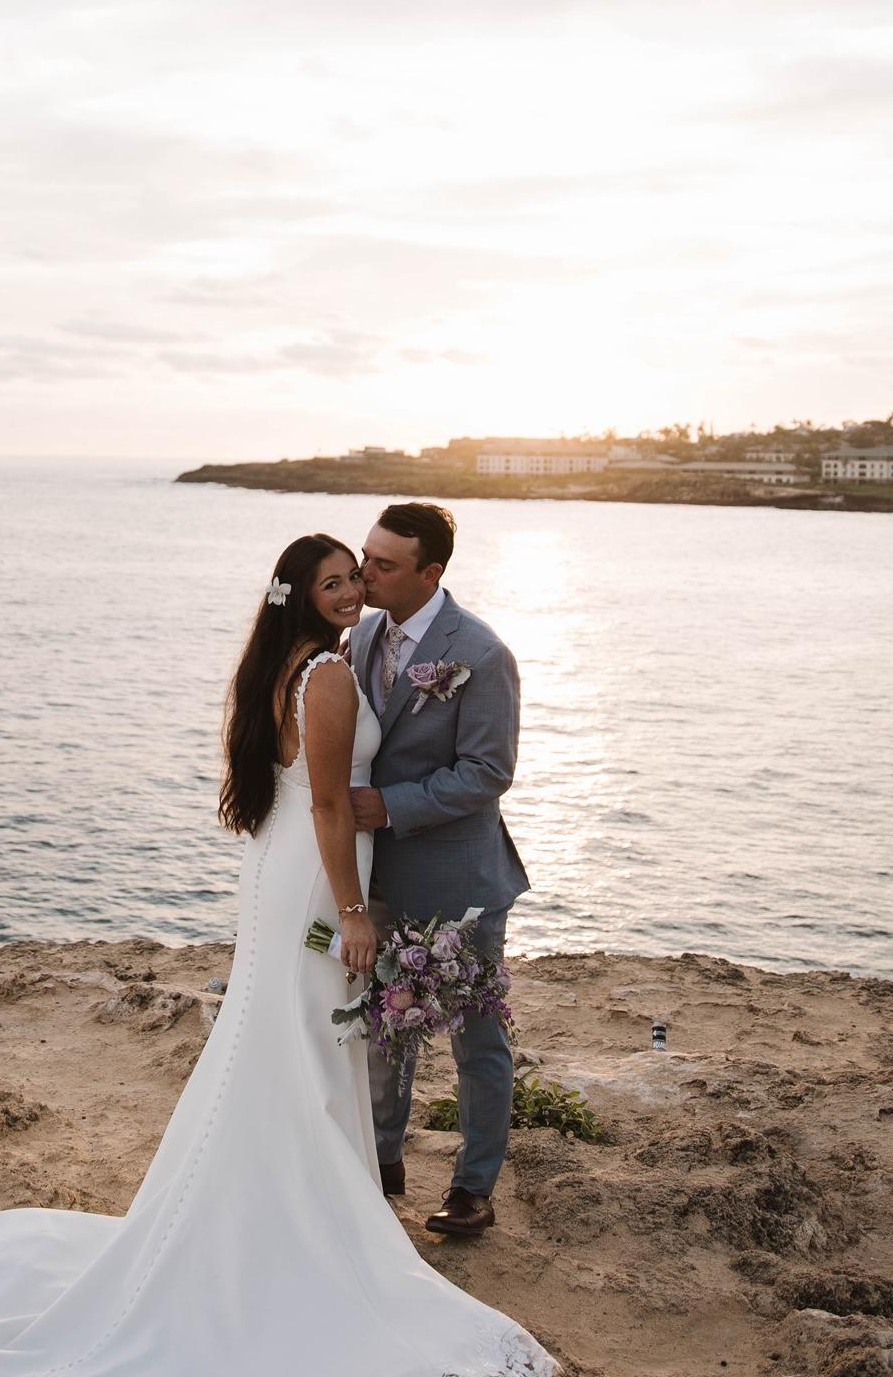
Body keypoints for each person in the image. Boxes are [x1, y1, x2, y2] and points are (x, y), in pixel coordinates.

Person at [0, 532, 557, 1377]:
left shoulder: (298, 663)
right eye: (336, 581)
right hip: (320, 879)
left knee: (293, 1035)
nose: (354, 589)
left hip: (290, 868)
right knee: (310, 1036)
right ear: (301, 595)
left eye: (360, 574)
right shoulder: (324, 675)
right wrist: (352, 911)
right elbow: (325, 802)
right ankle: (305, 1220)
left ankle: (303, 1199)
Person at [348, 503, 529, 1238]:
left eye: (384, 565)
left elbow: (489, 772)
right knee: (382, 1029)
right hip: (376, 876)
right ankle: (380, 1166)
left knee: (475, 1039)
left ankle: (473, 1189)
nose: (365, 573)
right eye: (366, 556)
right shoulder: (362, 635)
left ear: (431, 574)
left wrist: (385, 807)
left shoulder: (481, 654)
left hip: (459, 885)